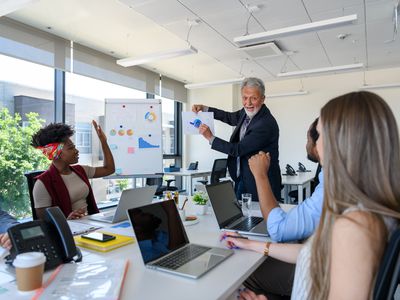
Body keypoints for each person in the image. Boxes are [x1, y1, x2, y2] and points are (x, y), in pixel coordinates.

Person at [222, 91, 400, 299]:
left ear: (341, 143)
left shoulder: (354, 227)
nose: (316, 144)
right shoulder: (368, 207)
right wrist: (251, 244)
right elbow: (316, 254)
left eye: (321, 134)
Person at [242, 118, 322, 300]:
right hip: (317, 262)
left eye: (314, 135)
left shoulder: (333, 188)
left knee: (245, 271)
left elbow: (278, 229)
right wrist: (250, 244)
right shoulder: (331, 181)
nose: (308, 141)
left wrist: (260, 175)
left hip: (318, 274)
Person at [192, 77, 281, 202]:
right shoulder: (246, 113)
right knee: (241, 218)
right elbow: (229, 117)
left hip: (259, 183)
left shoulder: (264, 124)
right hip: (242, 178)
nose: (248, 103)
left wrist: (210, 137)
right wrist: (205, 108)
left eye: (253, 98)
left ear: (262, 99)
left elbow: (238, 149)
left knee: (260, 219)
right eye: (245, 98)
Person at [31, 121, 115, 220]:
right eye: (71, 148)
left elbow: (109, 169)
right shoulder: (42, 184)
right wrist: (67, 220)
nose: (76, 151)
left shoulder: (81, 170)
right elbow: (45, 222)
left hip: (91, 224)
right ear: (55, 153)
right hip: (70, 231)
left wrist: (103, 141)